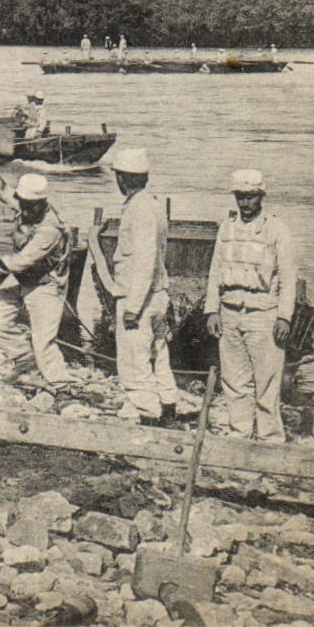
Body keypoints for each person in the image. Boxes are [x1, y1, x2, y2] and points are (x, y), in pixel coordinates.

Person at [204, 169, 297, 444]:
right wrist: (211, 310)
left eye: (251, 197)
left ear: (261, 197)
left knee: (267, 385)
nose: (245, 203)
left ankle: (270, 441)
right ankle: (239, 437)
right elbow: (215, 272)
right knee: (234, 382)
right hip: (230, 313)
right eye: (240, 197)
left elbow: (288, 278)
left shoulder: (278, 229)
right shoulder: (226, 228)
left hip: (263, 315)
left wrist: (284, 317)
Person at [0, 171, 80, 390]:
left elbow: (18, 263)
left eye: (30, 206)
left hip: (45, 284)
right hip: (23, 278)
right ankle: (26, 364)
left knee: (43, 342)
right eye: (23, 203)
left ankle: (63, 385)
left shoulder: (50, 229)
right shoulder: (25, 206)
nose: (24, 210)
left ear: (42, 202)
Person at [105, 148, 181, 425]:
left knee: (134, 360)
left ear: (122, 179)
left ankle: (149, 413)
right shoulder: (152, 205)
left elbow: (145, 260)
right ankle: (168, 401)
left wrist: (132, 308)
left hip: (139, 296)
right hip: (157, 294)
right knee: (158, 351)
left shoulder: (139, 209)